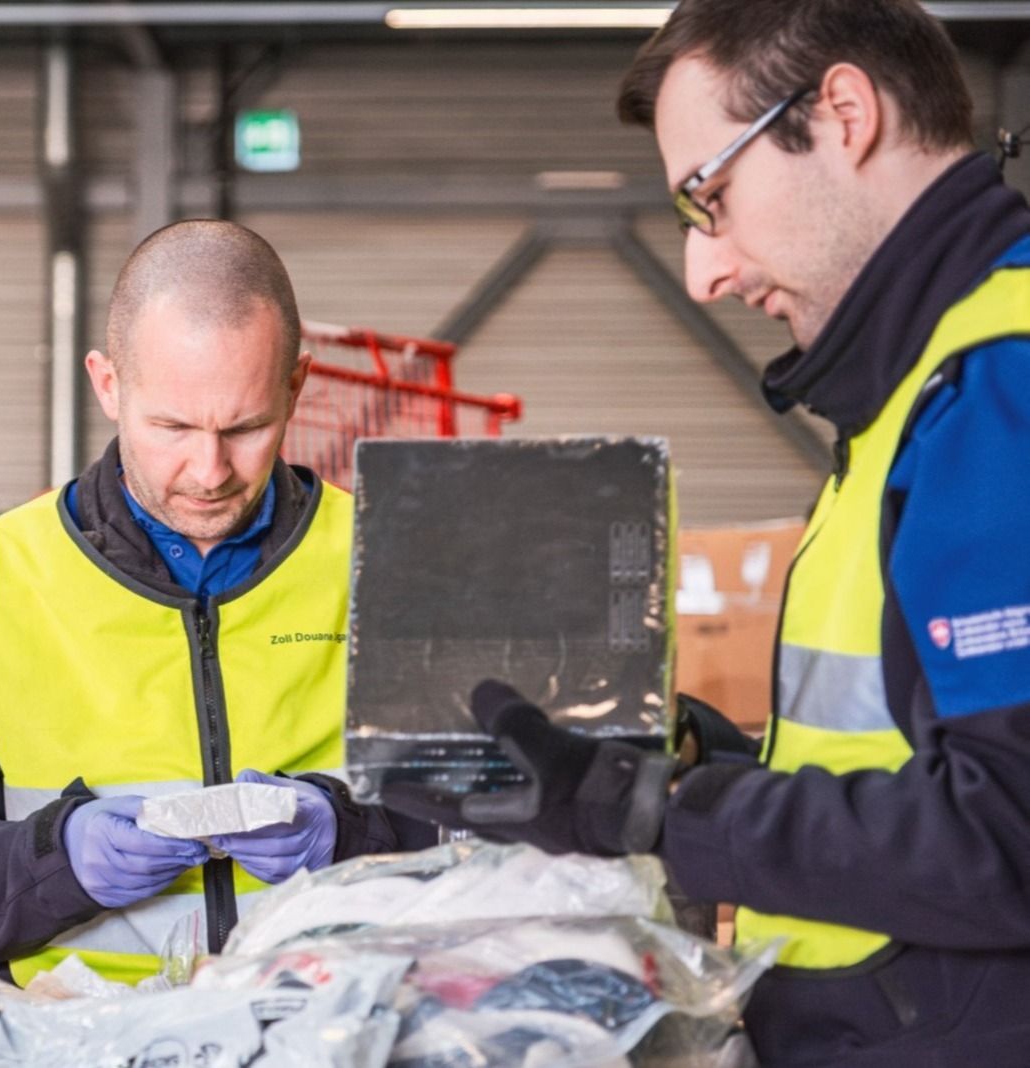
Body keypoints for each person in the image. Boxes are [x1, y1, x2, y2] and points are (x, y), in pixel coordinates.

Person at [380, 1, 1030, 1063]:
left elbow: (1004, 833)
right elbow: (913, 751)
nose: (705, 271)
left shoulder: (996, 387)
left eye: (710, 197)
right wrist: (690, 755)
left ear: (841, 113)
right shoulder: (919, 390)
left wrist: (645, 810)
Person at [0, 220, 433, 985]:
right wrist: (55, 859)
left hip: (351, 1026)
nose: (208, 471)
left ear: (296, 385)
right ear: (107, 384)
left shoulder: (402, 571)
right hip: (78, 1041)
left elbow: (523, 835)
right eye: (171, 427)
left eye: (245, 428)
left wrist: (353, 835)